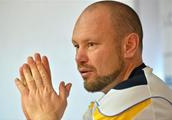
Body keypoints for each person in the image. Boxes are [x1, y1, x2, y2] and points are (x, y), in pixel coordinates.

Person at [15, 1, 172, 120]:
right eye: (77, 46)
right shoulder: (123, 98)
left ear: (129, 46)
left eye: (91, 44)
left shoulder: (145, 104)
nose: (78, 58)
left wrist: (45, 117)